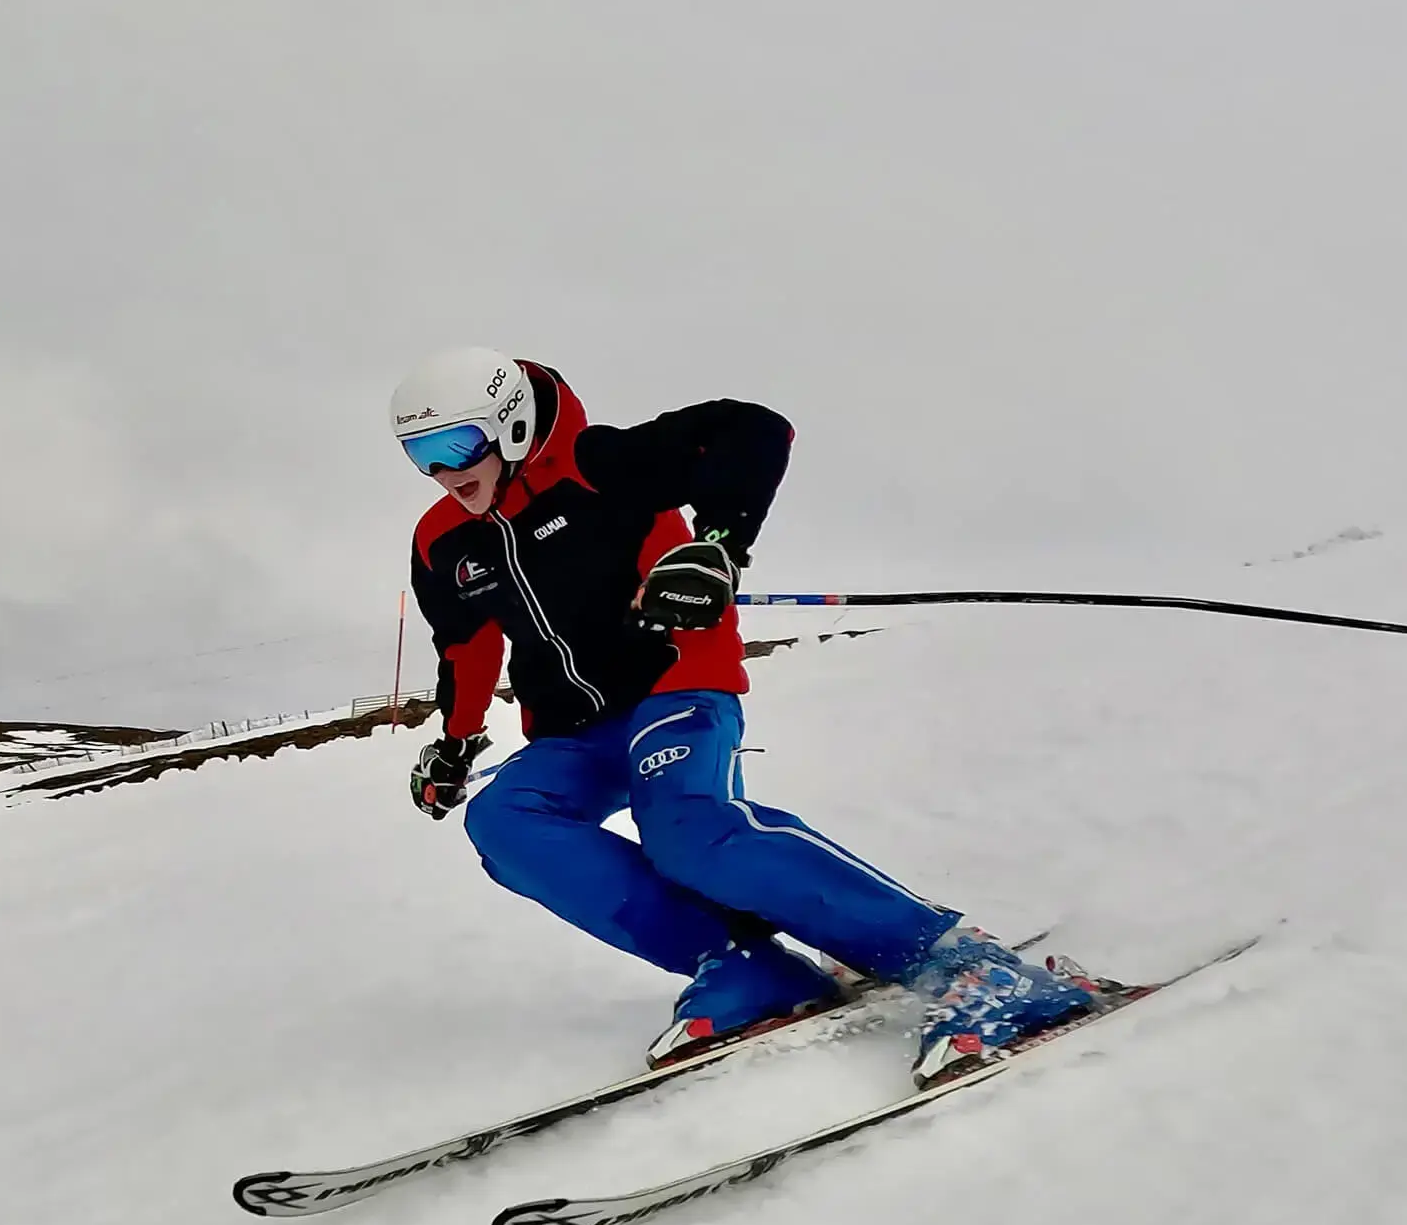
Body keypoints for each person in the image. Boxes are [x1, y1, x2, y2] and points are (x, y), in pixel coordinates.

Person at [392, 347, 1102, 1086]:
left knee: (690, 833)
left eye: (455, 445)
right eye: (421, 455)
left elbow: (753, 431)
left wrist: (718, 548)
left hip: (675, 684)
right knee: (505, 821)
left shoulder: (599, 463)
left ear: (507, 427)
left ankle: (961, 962)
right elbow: (466, 649)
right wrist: (455, 740)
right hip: (571, 730)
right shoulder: (441, 540)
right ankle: (743, 963)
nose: (444, 472)